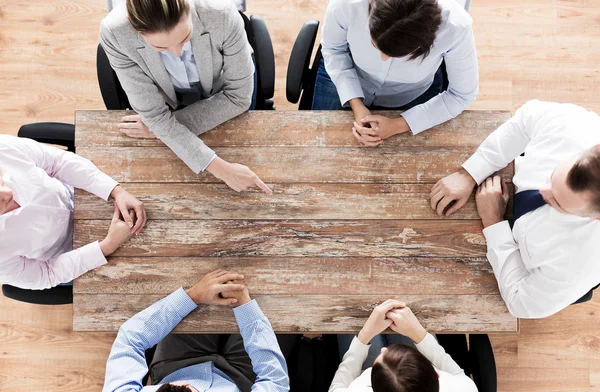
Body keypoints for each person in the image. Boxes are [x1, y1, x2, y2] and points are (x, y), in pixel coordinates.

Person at [431, 100, 600, 318]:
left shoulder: (579, 264)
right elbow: (524, 121)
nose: (542, 191)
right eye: (552, 177)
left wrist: (493, 222)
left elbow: (520, 303)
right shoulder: (573, 124)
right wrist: (471, 172)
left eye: (558, 203)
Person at [100, 0, 272, 194]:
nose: (177, 53)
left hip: (222, 85)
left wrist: (160, 129)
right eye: (160, 47)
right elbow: (155, 116)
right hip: (168, 93)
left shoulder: (221, 12)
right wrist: (222, 170)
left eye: (185, 38)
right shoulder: (115, 32)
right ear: (132, 23)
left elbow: (238, 98)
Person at [314, 0, 479, 146]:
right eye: (374, 45)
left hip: (413, 91)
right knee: (320, 143)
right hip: (348, 71)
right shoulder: (347, 4)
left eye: (399, 55)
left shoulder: (456, 26)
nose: (383, 59)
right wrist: (356, 105)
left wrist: (399, 125)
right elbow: (333, 49)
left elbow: (461, 95)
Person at [102, 270, 289, 392]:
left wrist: (192, 296)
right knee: (279, 305)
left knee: (205, 274)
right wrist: (246, 307)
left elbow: (129, 338)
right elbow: (275, 382)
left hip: (178, 364)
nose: (192, 385)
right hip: (242, 379)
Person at [0, 134, 146, 289]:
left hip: (77, 192)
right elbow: (48, 274)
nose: (8, 192)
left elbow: (56, 162)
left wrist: (115, 190)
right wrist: (108, 245)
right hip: (70, 253)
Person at [330, 300, 477, 392]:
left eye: (376, 364)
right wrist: (417, 332)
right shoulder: (463, 388)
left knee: (352, 308)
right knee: (401, 306)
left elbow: (337, 387)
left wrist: (365, 336)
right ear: (437, 374)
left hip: (359, 370)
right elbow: (457, 375)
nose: (385, 350)